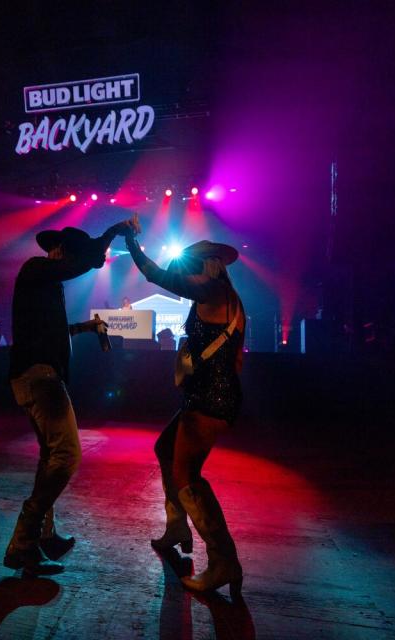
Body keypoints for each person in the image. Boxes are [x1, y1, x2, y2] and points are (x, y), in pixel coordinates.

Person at [120, 217, 246, 597]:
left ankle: (224, 561)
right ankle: (177, 527)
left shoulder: (211, 291)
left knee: (188, 476)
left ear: (206, 266)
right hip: (210, 394)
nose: (187, 272)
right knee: (165, 449)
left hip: (210, 398)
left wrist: (131, 244)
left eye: (192, 265)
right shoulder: (223, 295)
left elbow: (157, 275)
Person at [4, 221, 131, 576]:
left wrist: (87, 328)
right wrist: (114, 231)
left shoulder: (47, 285)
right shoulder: (36, 269)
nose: (73, 261)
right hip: (39, 378)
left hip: (39, 376)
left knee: (50, 457)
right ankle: (24, 541)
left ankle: (44, 537)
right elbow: (88, 261)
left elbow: (52, 331)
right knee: (67, 455)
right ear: (60, 251)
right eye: (71, 254)